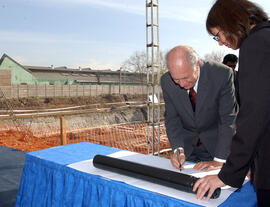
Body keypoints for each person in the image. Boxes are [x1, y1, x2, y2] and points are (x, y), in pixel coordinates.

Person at [193, 0, 270, 205]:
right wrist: (254, 166)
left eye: (217, 35)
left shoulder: (255, 44)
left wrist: (227, 175)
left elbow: (254, 116)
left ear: (230, 22)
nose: (219, 43)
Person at [161, 45, 237, 172]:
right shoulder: (166, 81)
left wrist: (219, 161)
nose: (182, 84)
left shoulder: (221, 75)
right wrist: (178, 149)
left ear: (196, 65)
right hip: (187, 149)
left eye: (186, 78)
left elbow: (228, 119)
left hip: (217, 146)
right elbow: (172, 118)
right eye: (176, 80)